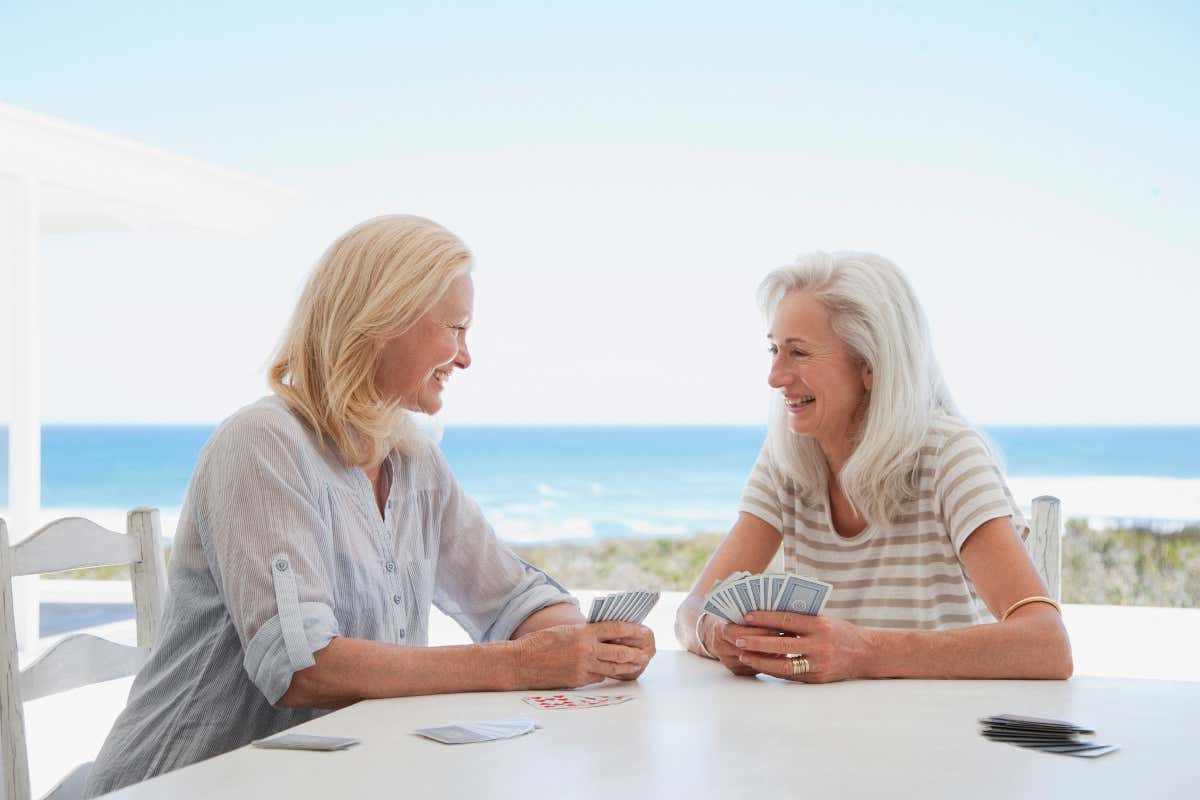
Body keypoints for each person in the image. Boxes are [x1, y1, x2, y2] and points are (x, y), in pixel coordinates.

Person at [85, 215, 655, 797]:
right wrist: (521, 663)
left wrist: (588, 648)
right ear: (383, 320)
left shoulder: (414, 461)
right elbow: (305, 667)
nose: (465, 358)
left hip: (327, 782)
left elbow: (511, 598)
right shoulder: (264, 443)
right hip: (183, 781)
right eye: (455, 328)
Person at [675, 251, 1072, 683]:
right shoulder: (786, 459)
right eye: (774, 349)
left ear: (869, 367)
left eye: (799, 353)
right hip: (827, 739)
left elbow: (1047, 646)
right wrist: (717, 635)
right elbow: (692, 609)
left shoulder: (950, 455)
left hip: (940, 739)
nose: (774, 376)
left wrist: (862, 652)